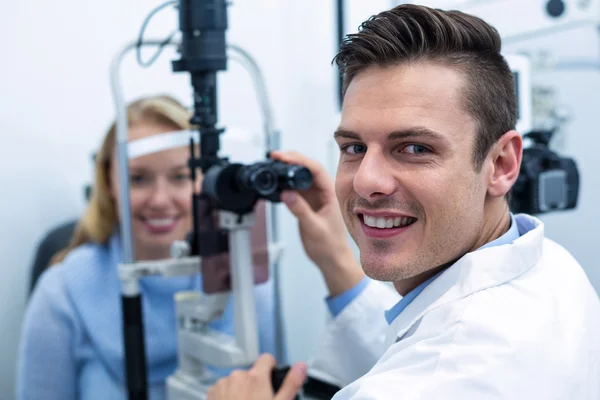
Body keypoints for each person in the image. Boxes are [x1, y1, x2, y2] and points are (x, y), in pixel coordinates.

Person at [206, 4, 600, 400]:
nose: (365, 181)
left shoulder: (439, 380)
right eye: (355, 147)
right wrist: (333, 258)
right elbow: (414, 341)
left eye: (414, 147)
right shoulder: (552, 266)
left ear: (501, 164)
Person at [16, 94, 276, 400]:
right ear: (108, 182)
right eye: (138, 179)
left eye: (180, 176)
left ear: (204, 182)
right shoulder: (61, 296)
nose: (160, 200)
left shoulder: (246, 286)